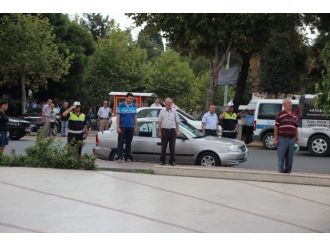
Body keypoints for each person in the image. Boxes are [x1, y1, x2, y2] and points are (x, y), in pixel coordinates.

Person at [274, 98, 299, 174]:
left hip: (292, 139)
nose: (290, 104)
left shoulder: (295, 115)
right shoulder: (280, 115)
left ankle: (287, 173)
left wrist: (297, 139)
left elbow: (296, 128)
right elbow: (276, 127)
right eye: (288, 103)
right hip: (282, 139)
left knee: (290, 158)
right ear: (284, 105)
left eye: (291, 103)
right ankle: (281, 173)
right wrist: (276, 139)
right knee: (281, 158)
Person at [157, 98, 180, 166]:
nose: (169, 104)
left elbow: (177, 122)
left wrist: (177, 131)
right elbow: (159, 122)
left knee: (172, 147)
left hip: (172, 131)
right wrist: (159, 131)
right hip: (164, 130)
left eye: (170, 102)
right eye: (168, 102)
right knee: (163, 147)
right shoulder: (162, 111)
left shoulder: (174, 111)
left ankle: (172, 161)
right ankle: (162, 161)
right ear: (165, 103)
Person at [116, 93, 138, 162]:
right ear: (126, 98)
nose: (131, 100)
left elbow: (135, 116)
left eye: (132, 99)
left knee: (129, 143)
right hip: (122, 127)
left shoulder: (134, 106)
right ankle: (119, 157)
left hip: (130, 127)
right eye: (130, 98)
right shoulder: (120, 105)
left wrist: (135, 126)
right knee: (120, 142)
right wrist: (117, 127)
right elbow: (118, 116)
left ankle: (127, 157)